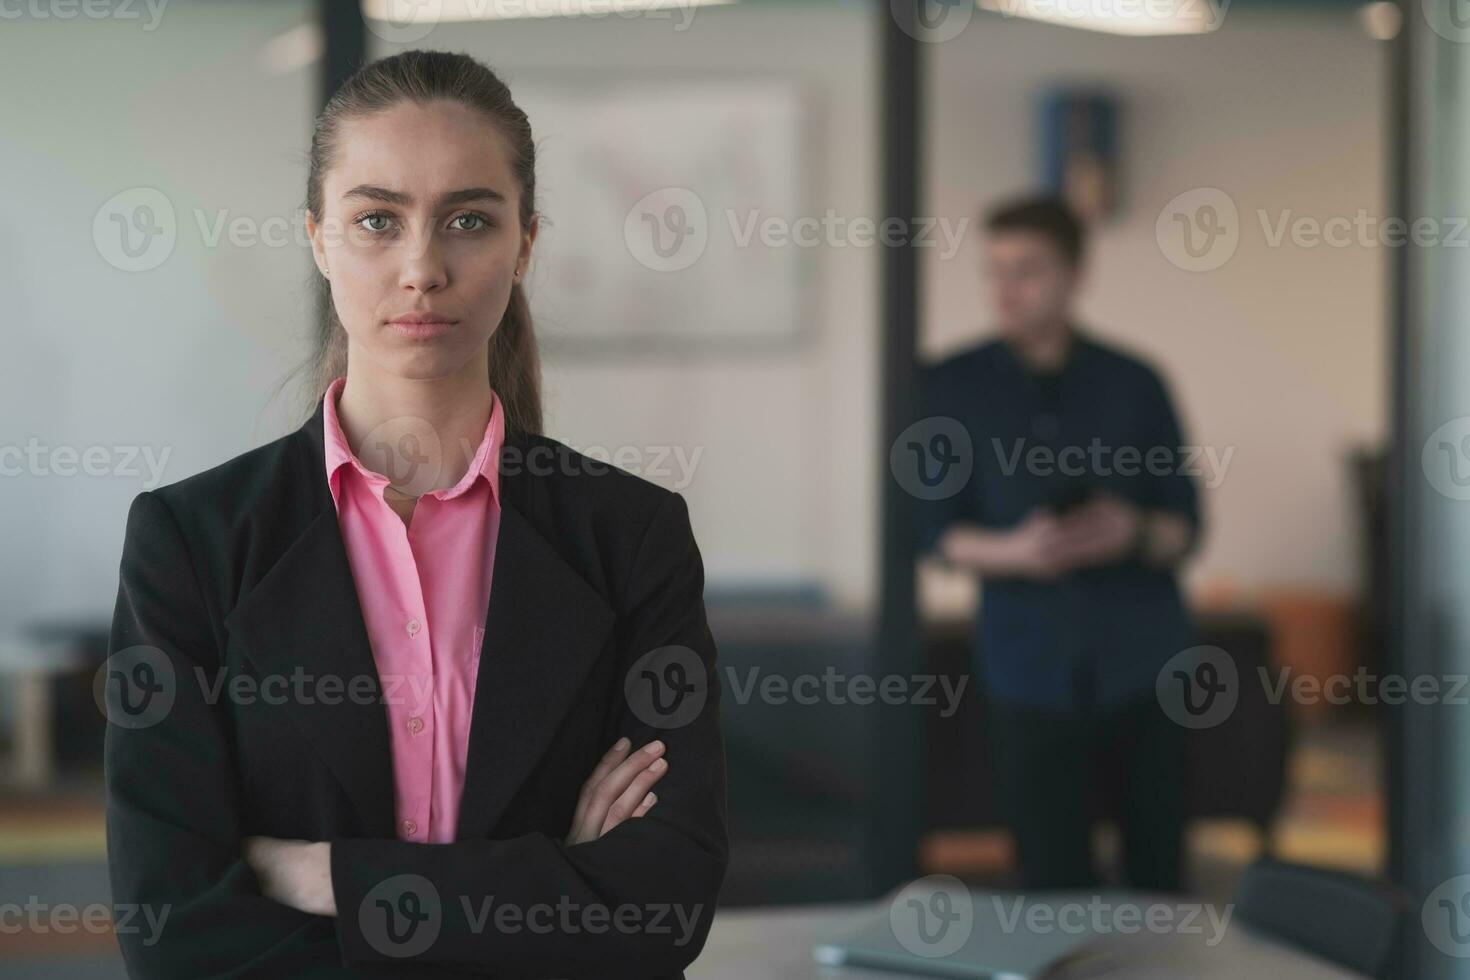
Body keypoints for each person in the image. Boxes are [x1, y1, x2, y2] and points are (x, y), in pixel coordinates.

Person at [103, 50, 727, 978]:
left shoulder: (630, 537)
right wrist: (544, 882)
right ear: (318, 239)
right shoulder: (191, 543)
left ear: (525, 245)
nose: (423, 267)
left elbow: (662, 904)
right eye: (376, 220)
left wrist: (334, 880)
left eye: (469, 220)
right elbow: (176, 932)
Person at [917, 196, 1201, 892]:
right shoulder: (948, 386)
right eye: (994, 271)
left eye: (1027, 271)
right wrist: (1019, 552)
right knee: (1049, 883)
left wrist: (1131, 530)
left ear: (1075, 273)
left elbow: (1187, 526)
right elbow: (931, 532)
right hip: (1027, 663)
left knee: (1160, 879)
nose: (1005, 290)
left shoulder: (1136, 382)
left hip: (1143, 660)